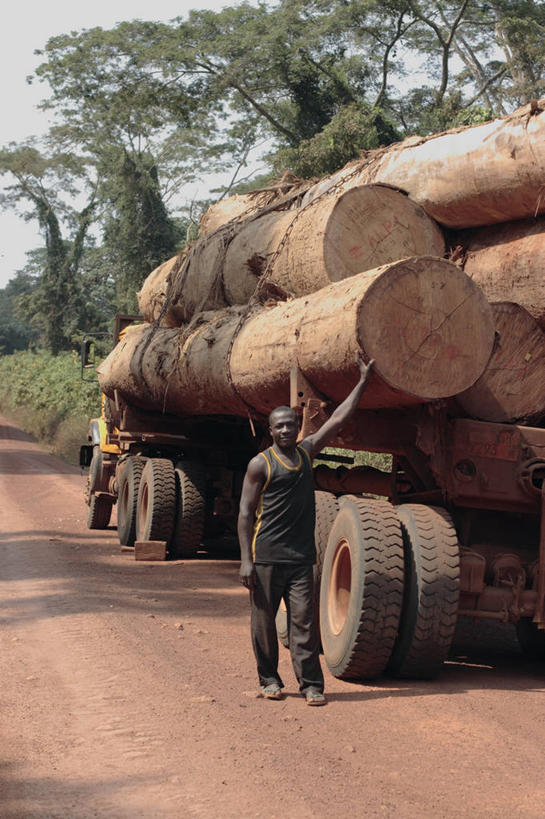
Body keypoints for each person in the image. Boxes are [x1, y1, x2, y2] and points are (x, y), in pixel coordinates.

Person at [238, 354, 375, 706]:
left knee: (303, 624)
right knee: (264, 625)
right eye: (279, 426)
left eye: (289, 424)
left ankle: (311, 684)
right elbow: (244, 513)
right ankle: (269, 679)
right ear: (270, 431)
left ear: (296, 425)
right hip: (265, 557)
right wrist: (245, 561)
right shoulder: (259, 465)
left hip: (301, 559)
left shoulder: (307, 452)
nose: (285, 430)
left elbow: (339, 418)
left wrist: (362, 382)